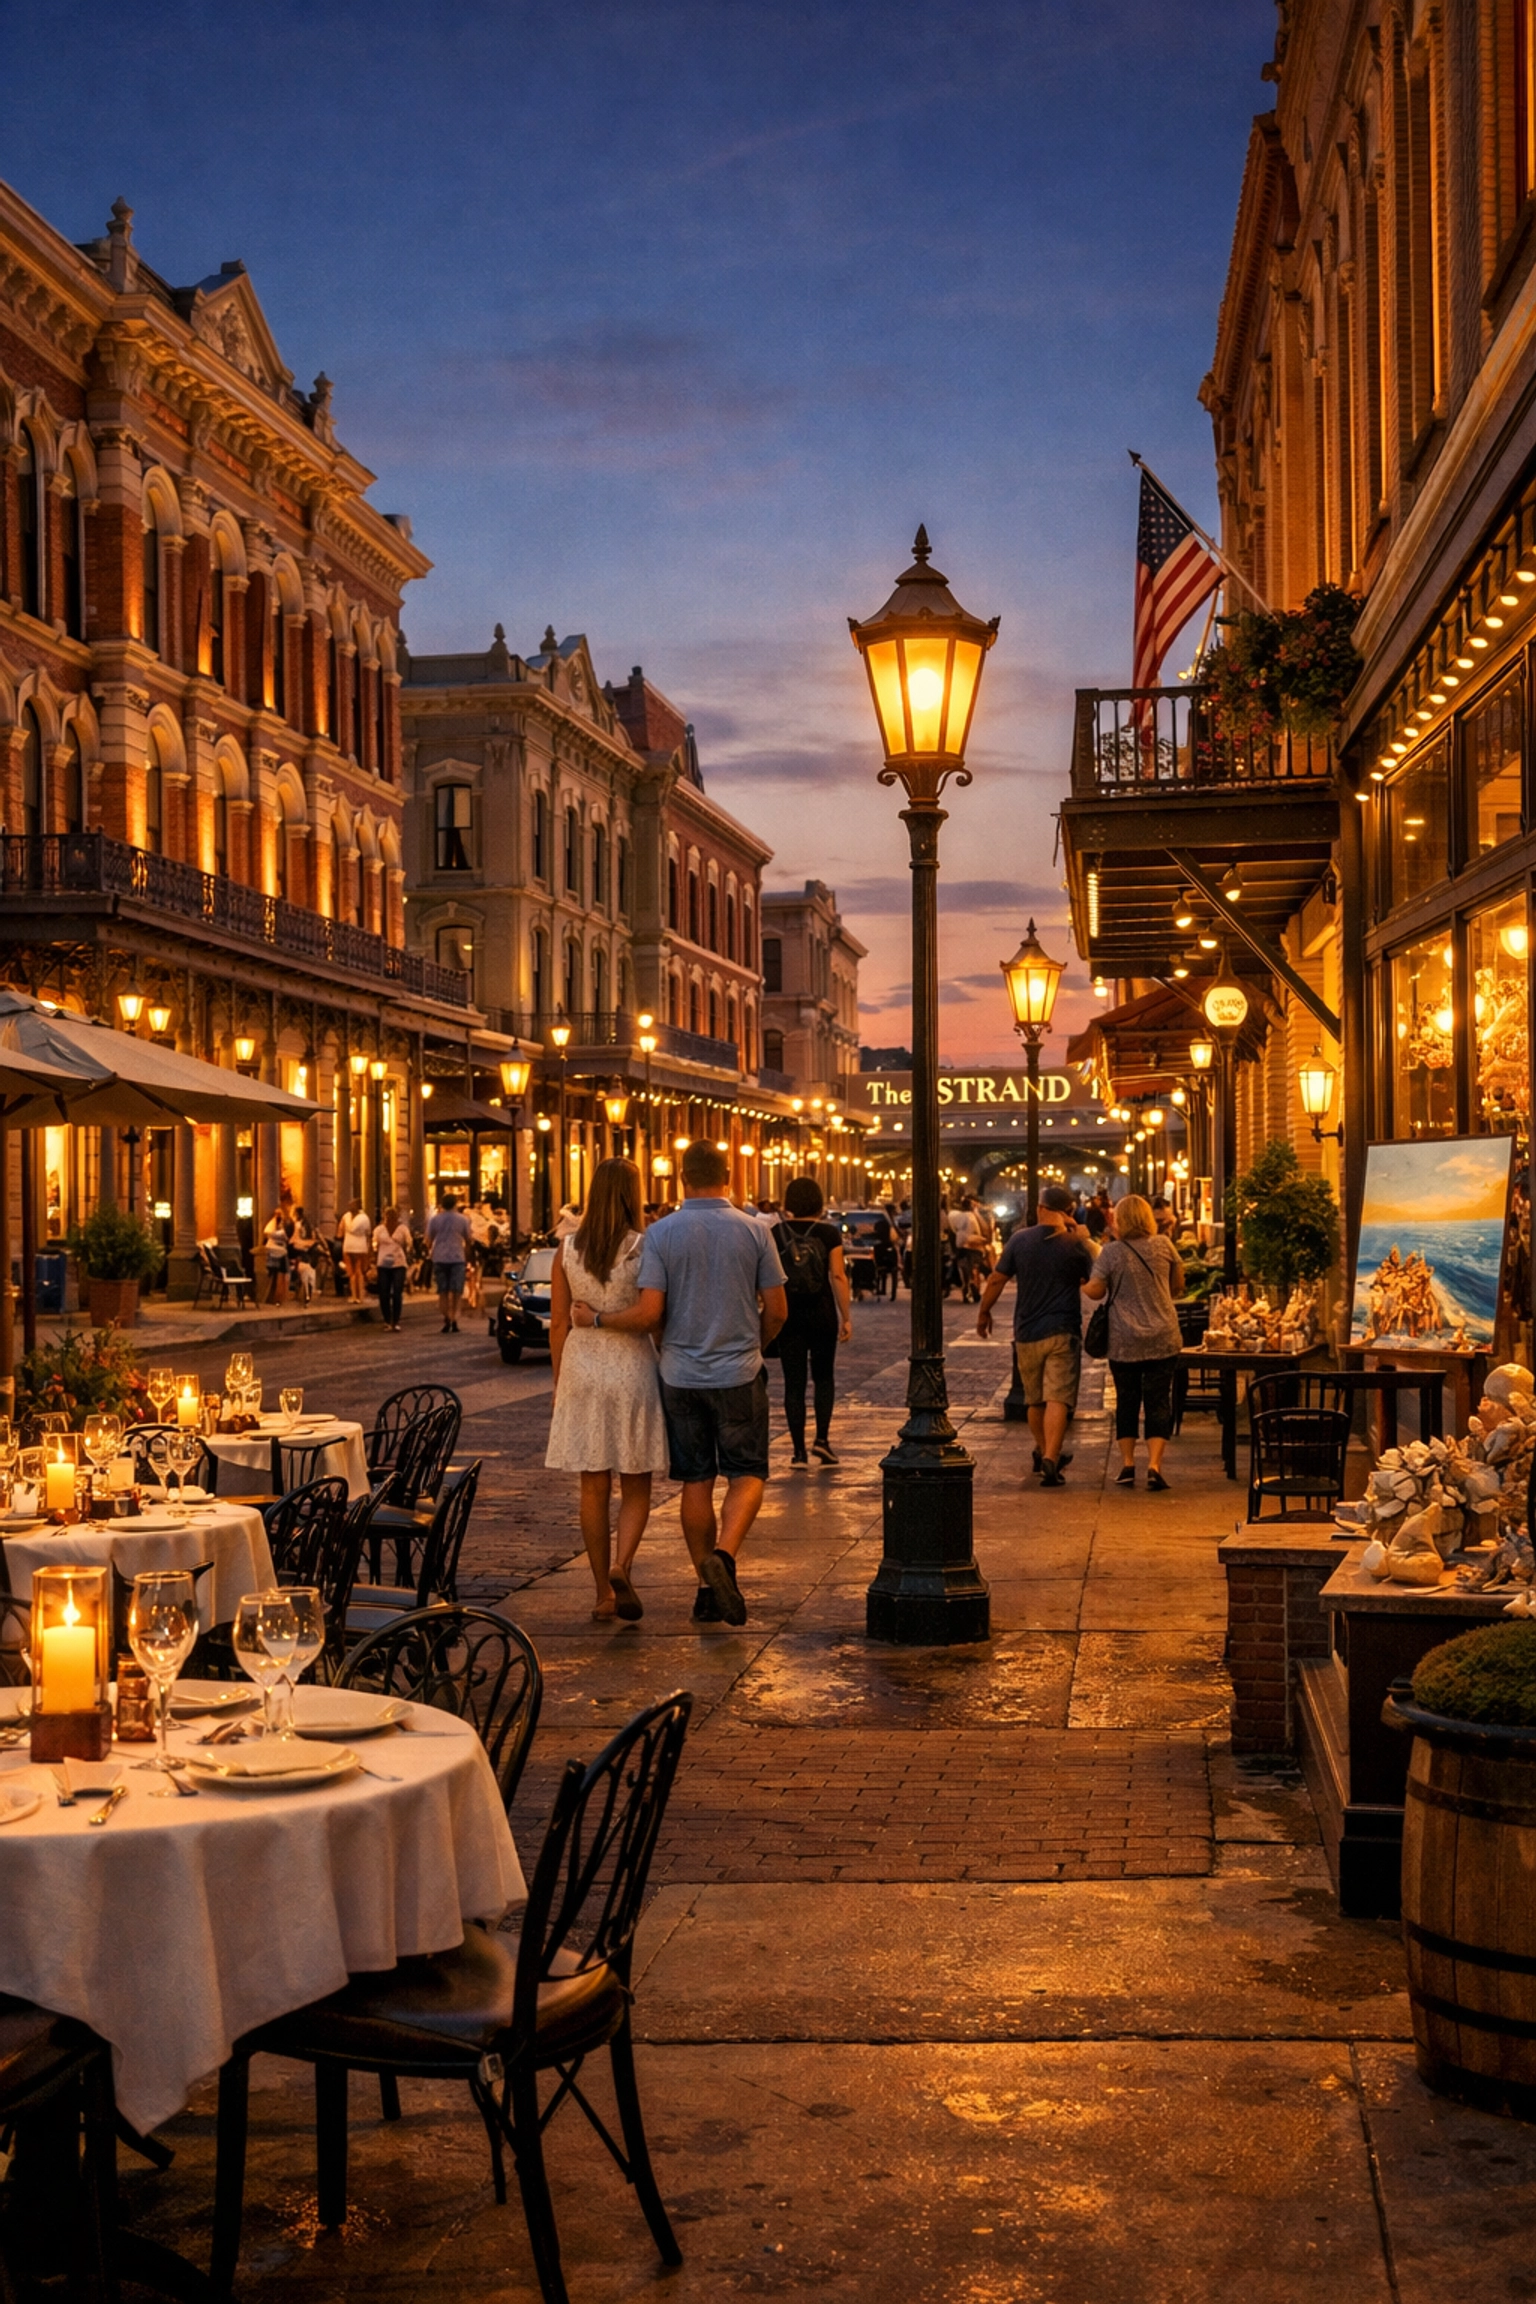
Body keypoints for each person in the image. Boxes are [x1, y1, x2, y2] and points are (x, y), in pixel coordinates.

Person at [570, 1139, 786, 1626]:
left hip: (679, 1375)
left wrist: (662, 1341)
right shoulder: (756, 1231)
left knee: (696, 1479)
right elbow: (778, 1310)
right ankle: (724, 1558)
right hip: (738, 1372)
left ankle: (707, 1587)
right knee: (747, 1472)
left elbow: (653, 1311)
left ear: (682, 1179)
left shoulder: (661, 1235)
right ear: (728, 1175)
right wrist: (757, 1342)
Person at [546, 1157, 668, 1622]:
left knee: (592, 1485)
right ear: (632, 1195)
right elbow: (654, 1315)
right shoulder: (643, 1246)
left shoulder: (568, 1248)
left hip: (583, 1365)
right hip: (632, 1364)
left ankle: (601, 1592)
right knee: (637, 1483)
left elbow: (558, 1322)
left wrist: (560, 1382)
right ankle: (624, 1564)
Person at [976, 1183, 1095, 1487]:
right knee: (1059, 1397)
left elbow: (996, 1280)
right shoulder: (1074, 1244)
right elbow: (1094, 1282)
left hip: (1027, 1331)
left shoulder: (1019, 1240)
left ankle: (1044, 1450)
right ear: (1069, 1213)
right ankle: (1051, 1458)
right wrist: (1085, 1239)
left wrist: (983, 1312)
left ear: (1041, 1209)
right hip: (1063, 1329)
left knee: (1034, 1399)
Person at [1083, 1190, 1185, 1491]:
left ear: (1120, 1220)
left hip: (1124, 1338)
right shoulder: (1165, 1245)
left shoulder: (1111, 1252)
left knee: (1127, 1401)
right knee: (1158, 1400)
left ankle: (1128, 1464)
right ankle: (1154, 1465)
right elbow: (1178, 1285)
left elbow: (1097, 1291)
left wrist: (1083, 1284)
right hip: (1163, 1336)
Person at [773, 1177, 852, 1465]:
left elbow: (769, 1278)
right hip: (822, 1313)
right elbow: (838, 1275)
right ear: (819, 1202)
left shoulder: (776, 1232)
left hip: (788, 1313)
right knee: (824, 1378)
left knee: (793, 1384)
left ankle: (798, 1452)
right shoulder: (829, 1234)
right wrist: (846, 1317)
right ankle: (822, 1440)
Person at [426, 1192, 474, 1333]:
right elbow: (469, 1239)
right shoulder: (463, 1220)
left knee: (443, 1290)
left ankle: (446, 1316)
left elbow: (428, 1239)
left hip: (439, 1257)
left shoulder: (435, 1220)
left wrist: (431, 1250)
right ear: (455, 1204)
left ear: (442, 1204)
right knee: (457, 1290)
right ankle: (455, 1317)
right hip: (457, 1257)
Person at [372, 1204, 412, 1331]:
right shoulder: (379, 1230)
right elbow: (374, 1243)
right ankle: (387, 1320)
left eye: (392, 1215)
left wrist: (408, 1249)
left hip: (399, 1263)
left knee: (397, 1292)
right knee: (383, 1292)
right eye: (388, 1215)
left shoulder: (402, 1229)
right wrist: (373, 1253)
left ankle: (396, 1320)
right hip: (383, 1263)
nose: (390, 1218)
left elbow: (409, 1242)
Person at [340, 1199, 371, 1303]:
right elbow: (368, 1233)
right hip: (361, 1246)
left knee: (351, 1273)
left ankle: (353, 1296)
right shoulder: (365, 1218)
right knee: (359, 1271)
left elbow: (339, 1233)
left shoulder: (345, 1217)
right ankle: (361, 1297)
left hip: (348, 1245)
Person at [261, 1206, 291, 1306]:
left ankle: (281, 1296)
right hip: (275, 1250)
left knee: (283, 1270)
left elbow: (285, 1238)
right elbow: (268, 1233)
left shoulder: (282, 1225)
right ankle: (279, 1297)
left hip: (280, 1251)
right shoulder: (272, 1225)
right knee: (283, 1268)